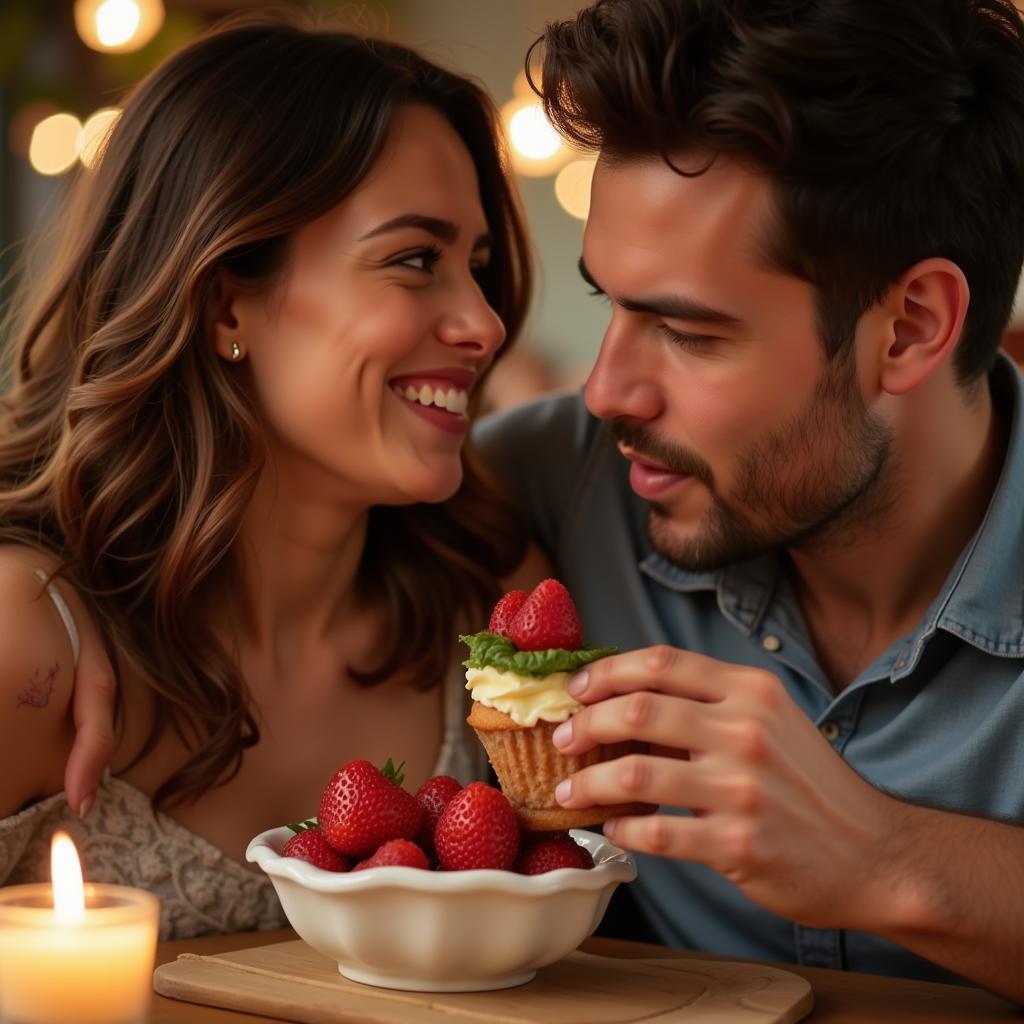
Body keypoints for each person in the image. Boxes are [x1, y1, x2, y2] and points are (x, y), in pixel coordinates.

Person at [473, 0, 1024, 1003]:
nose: (605, 391)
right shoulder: (559, 477)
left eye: (686, 331)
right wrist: (79, 597)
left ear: (908, 328)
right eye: (611, 302)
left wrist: (884, 856)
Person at [0, 13, 537, 939]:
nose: (485, 324)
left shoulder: (493, 609)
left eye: (477, 269)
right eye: (415, 261)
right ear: (222, 301)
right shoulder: (27, 644)